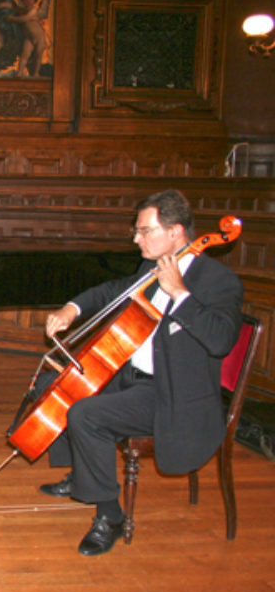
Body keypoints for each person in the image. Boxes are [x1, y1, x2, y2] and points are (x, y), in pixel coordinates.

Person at [35, 189, 243, 556]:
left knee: (86, 414)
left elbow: (221, 340)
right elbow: (111, 291)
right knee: (58, 381)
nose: (136, 239)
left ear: (175, 232)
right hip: (132, 376)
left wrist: (180, 294)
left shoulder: (217, 281)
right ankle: (82, 474)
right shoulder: (150, 267)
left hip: (173, 392)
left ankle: (110, 516)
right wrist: (71, 309)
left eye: (145, 231)